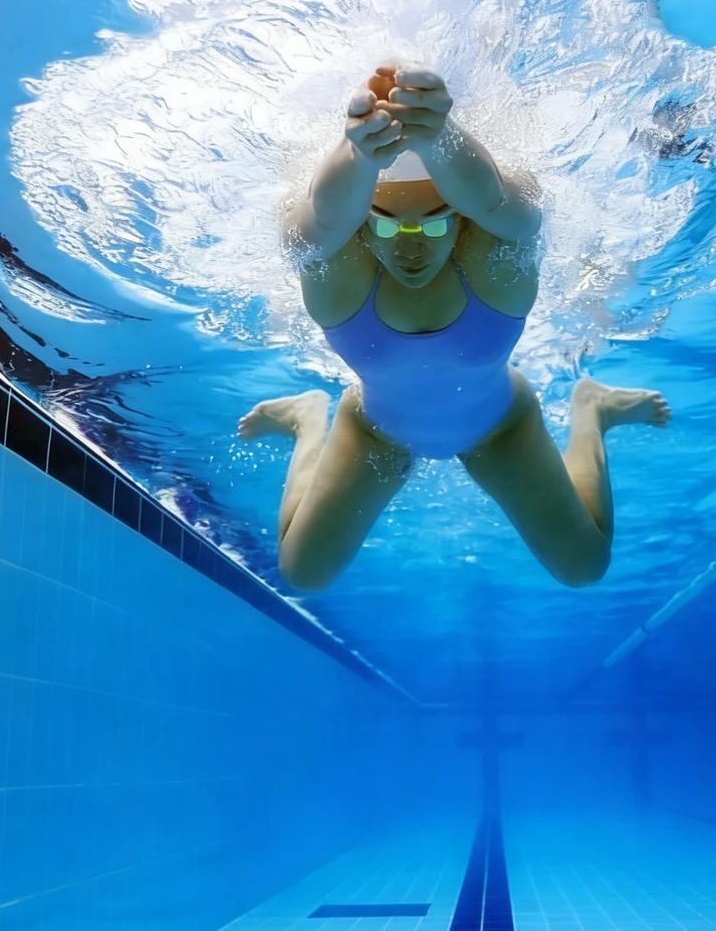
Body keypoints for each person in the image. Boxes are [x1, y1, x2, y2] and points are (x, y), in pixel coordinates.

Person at [238, 62, 670, 592]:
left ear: (462, 218)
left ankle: (593, 410)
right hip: (374, 433)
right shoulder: (341, 281)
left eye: (435, 220)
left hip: (500, 429)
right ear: (362, 225)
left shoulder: (494, 268)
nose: (409, 244)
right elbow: (314, 227)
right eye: (385, 224)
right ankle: (308, 419)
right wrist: (356, 153)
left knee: (584, 567)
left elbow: (506, 205)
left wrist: (440, 137)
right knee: (301, 574)